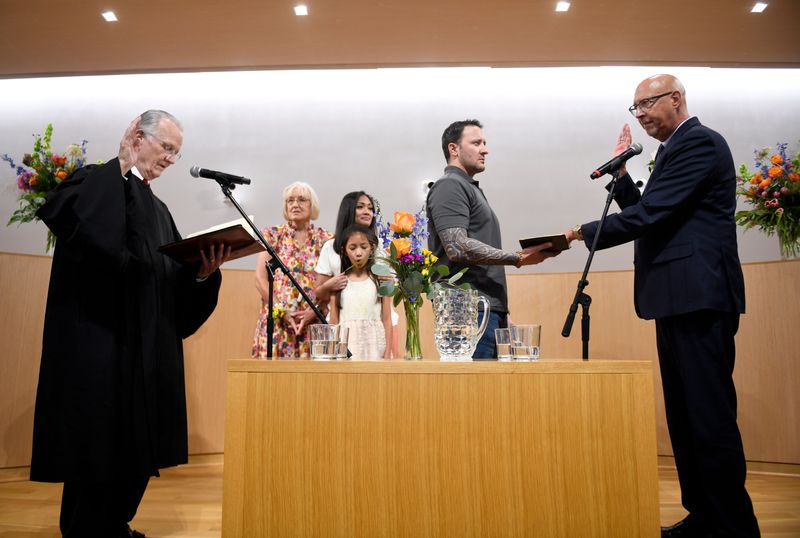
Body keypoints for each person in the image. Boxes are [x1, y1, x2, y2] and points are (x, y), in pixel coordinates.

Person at [564, 75, 759, 538]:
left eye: (647, 103)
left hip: (699, 296)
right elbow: (655, 211)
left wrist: (577, 232)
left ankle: (734, 527)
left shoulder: (701, 143)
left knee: (708, 418)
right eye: (635, 108)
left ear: (677, 99)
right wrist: (623, 179)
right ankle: (704, 518)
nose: (641, 113)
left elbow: (651, 216)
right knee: (685, 417)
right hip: (674, 299)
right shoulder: (673, 150)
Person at [30, 110, 229, 538]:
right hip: (100, 347)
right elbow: (82, 230)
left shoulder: (159, 210)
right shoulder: (92, 182)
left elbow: (171, 284)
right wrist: (118, 167)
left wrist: (201, 274)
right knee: (95, 448)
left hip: (146, 353)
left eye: (177, 154)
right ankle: (87, 530)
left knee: (138, 448)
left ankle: (114, 525)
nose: (171, 160)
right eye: (167, 148)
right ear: (137, 137)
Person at [426, 119, 558, 359]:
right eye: (476, 143)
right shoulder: (449, 186)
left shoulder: (468, 187)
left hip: (486, 311)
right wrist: (517, 258)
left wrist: (501, 312)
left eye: (484, 143)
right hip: (466, 312)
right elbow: (457, 246)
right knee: (472, 393)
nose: (485, 149)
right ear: (453, 149)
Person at [311, 191, 400, 357]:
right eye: (360, 207)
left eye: (370, 208)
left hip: (378, 327)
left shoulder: (382, 244)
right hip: (346, 330)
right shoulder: (331, 246)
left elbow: (392, 290)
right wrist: (330, 285)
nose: (367, 211)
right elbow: (319, 292)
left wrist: (391, 282)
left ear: (371, 248)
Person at [252, 182, 332, 358]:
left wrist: (315, 310)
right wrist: (281, 310)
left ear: (312, 205)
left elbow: (331, 283)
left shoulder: (325, 239)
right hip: (278, 322)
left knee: (312, 383)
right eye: (290, 200)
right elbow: (260, 279)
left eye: (302, 200)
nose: (295, 204)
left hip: (313, 323)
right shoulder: (272, 235)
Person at [329, 224, 392, 359]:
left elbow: (387, 319)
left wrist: (387, 355)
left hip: (375, 346)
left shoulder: (380, 281)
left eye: (364, 247)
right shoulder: (339, 283)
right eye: (352, 248)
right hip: (346, 347)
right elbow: (333, 322)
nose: (358, 253)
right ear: (344, 250)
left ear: (372, 249)